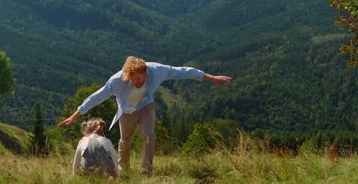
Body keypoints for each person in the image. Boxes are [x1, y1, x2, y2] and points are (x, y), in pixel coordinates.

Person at [59, 56, 231, 175]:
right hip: (126, 111)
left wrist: (210, 77)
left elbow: (182, 71)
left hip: (146, 106)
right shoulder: (116, 81)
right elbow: (98, 96)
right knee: (125, 141)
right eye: (135, 80)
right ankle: (123, 168)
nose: (139, 82)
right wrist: (77, 113)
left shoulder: (156, 70)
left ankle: (146, 170)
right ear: (128, 76)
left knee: (149, 135)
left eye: (141, 78)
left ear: (145, 72)